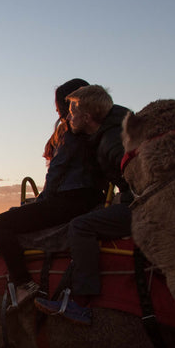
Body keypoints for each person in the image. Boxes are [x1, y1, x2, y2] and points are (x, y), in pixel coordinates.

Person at [0, 78, 104, 310]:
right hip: (92, 198)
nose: (62, 114)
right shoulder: (97, 131)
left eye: (61, 109)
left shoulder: (71, 135)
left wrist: (40, 202)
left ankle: (23, 284)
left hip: (69, 202)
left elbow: (57, 173)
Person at [35, 84, 132, 324]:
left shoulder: (110, 142)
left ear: (87, 117)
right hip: (137, 199)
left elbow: (137, 175)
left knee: (81, 226)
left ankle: (82, 302)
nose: (67, 117)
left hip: (142, 205)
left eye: (72, 112)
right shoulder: (110, 130)